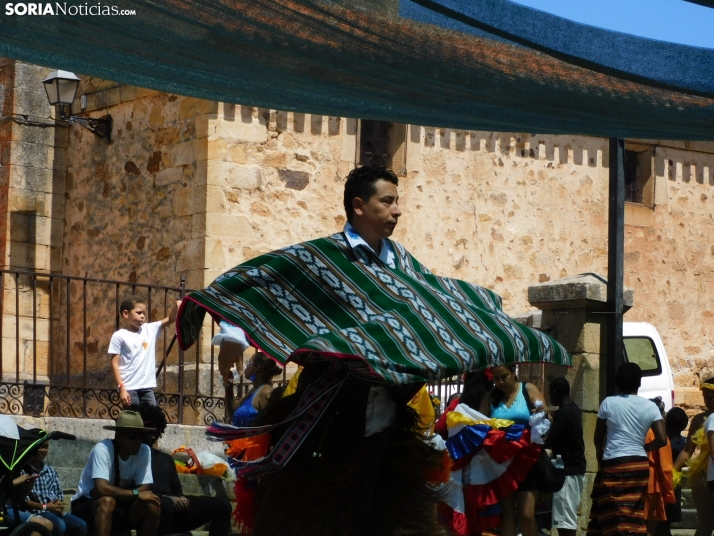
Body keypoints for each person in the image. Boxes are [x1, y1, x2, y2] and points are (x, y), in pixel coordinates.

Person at [179, 166, 570, 536]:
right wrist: (232, 335)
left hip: (390, 414)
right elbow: (268, 280)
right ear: (359, 206)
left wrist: (485, 309)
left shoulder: (402, 262)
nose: (397, 210)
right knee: (317, 505)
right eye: (387, 201)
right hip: (332, 410)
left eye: (397, 201)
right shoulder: (324, 258)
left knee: (385, 507)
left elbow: (433, 298)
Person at [587, 363, 667, 536]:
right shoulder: (651, 407)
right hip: (638, 465)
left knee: (613, 513)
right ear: (638, 383)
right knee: (634, 511)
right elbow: (661, 439)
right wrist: (644, 447)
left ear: (618, 382)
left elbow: (598, 437)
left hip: (614, 464)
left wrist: (600, 455)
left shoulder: (608, 403)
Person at [135, 403, 232, 536]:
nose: (154, 431)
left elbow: (177, 491)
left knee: (223, 505)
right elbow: (139, 490)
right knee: (165, 505)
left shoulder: (166, 459)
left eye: (157, 427)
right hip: (152, 512)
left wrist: (182, 499)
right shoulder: (133, 456)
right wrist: (168, 499)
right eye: (149, 427)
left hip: (175, 513)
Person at [477, 364, 546, 536]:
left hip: (527, 459)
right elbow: (478, 423)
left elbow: (547, 416)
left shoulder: (528, 389)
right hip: (500, 462)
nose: (500, 382)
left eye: (504, 376)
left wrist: (542, 414)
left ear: (513, 373)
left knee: (526, 514)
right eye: (496, 378)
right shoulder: (490, 397)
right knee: (506, 514)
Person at [70, 410, 161, 536]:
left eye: (141, 436)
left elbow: (145, 487)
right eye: (132, 436)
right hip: (87, 504)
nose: (138, 441)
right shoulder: (103, 449)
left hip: (120, 502)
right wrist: (135, 493)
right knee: (107, 501)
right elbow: (101, 489)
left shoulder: (144, 450)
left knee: (152, 505)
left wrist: (133, 494)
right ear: (118, 436)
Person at [109, 295, 181, 407]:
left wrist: (177, 306)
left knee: (152, 419)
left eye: (144, 313)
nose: (143, 316)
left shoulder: (149, 329)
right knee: (133, 420)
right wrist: (121, 387)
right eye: (139, 313)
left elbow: (170, 319)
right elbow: (114, 363)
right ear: (126, 314)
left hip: (147, 387)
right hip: (129, 387)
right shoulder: (119, 336)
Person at [544, 377, 585, 536]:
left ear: (554, 393)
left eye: (549, 393)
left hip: (567, 472)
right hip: (575, 470)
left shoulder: (563, 413)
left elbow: (549, 442)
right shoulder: (574, 409)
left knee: (565, 521)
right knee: (565, 518)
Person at [673, 375, 714, 536]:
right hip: (703, 477)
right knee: (706, 523)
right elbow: (687, 450)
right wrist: (673, 474)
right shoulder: (699, 419)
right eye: (705, 398)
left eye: (710, 398)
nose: (707, 402)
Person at [22, 441, 87, 536]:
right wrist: (46, 506)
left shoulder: (50, 471)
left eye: (45, 447)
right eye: (39, 447)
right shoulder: (24, 471)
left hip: (53, 510)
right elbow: (24, 501)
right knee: (60, 525)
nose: (43, 450)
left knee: (81, 525)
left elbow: (58, 494)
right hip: (38, 511)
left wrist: (58, 503)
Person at [643, 397, 675, 536]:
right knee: (650, 524)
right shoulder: (659, 434)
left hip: (638, 475)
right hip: (652, 482)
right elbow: (665, 467)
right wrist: (669, 491)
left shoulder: (640, 429)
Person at [226, 352, 281, 427]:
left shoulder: (265, 392)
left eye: (249, 363)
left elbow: (269, 426)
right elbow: (233, 411)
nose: (246, 367)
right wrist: (228, 388)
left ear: (257, 367)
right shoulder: (254, 390)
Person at [656, 407, 688, 536]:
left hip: (662, 484)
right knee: (666, 524)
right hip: (674, 486)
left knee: (660, 524)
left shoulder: (664, 443)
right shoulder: (683, 444)